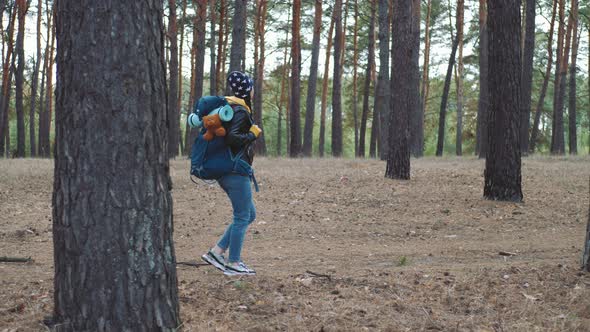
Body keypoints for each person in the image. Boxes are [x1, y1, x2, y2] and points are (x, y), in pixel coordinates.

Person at [201, 71, 262, 276]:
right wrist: (252, 134)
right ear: (247, 90)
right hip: (235, 171)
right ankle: (233, 263)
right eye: (252, 87)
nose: (253, 91)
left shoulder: (231, 108)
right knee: (242, 216)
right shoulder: (240, 111)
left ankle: (216, 252)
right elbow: (233, 139)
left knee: (249, 214)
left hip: (228, 171)